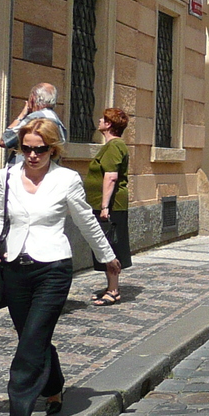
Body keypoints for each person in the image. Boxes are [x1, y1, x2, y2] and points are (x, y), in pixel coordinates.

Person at [0, 118, 119, 416]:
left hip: (53, 269)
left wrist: (108, 258)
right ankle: (54, 387)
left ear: (52, 149)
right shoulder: (8, 176)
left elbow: (85, 219)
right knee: (33, 337)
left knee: (30, 342)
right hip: (14, 266)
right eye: (26, 148)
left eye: (39, 149)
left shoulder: (66, 179)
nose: (32, 155)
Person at [83, 109, 131, 305]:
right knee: (105, 245)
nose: (100, 120)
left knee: (110, 246)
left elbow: (111, 176)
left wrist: (104, 207)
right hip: (105, 205)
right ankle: (111, 285)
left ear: (110, 124)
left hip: (111, 207)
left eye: (103, 118)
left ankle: (113, 290)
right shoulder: (111, 146)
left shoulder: (114, 146)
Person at [0, 83, 68, 149]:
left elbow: (4, 141)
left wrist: (21, 115)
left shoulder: (35, 118)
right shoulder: (56, 120)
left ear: (33, 98)